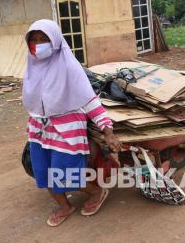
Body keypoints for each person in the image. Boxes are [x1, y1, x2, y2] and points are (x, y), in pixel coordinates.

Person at [22, 19, 122, 227]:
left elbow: (89, 100)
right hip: (39, 129)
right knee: (42, 172)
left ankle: (97, 191)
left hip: (67, 128)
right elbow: (34, 102)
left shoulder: (68, 65)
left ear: (56, 41)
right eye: (34, 40)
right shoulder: (31, 67)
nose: (38, 44)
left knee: (65, 173)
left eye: (43, 39)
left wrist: (108, 131)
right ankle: (65, 206)